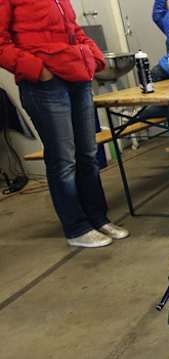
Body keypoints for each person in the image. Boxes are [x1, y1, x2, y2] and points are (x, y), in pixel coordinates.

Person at [0, 0, 129, 248]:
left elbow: (74, 30)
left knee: (88, 154)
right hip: (44, 83)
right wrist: (38, 69)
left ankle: (97, 218)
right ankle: (77, 227)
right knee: (63, 159)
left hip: (76, 76)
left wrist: (93, 56)